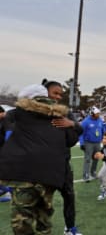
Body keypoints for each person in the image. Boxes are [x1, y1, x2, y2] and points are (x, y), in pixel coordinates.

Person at [0, 84, 79, 234]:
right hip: (51, 175)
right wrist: (73, 125)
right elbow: (72, 139)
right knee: (44, 217)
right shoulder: (60, 115)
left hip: (23, 173)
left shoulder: (16, 114)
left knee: (22, 219)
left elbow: (3, 136)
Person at [45, 79, 84, 235]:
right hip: (43, 165)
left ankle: (70, 228)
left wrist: (71, 124)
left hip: (63, 164)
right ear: (44, 92)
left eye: (60, 94)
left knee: (69, 196)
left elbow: (80, 129)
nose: (58, 97)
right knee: (42, 201)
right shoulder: (35, 112)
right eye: (55, 93)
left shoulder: (65, 112)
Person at [79, 106, 104, 182]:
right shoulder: (85, 122)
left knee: (96, 158)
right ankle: (86, 175)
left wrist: (103, 138)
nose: (98, 114)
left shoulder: (100, 120)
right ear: (92, 114)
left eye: (99, 113)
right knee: (87, 159)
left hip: (97, 142)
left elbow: (102, 130)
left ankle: (93, 172)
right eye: (97, 113)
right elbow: (80, 133)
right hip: (88, 143)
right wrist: (82, 143)